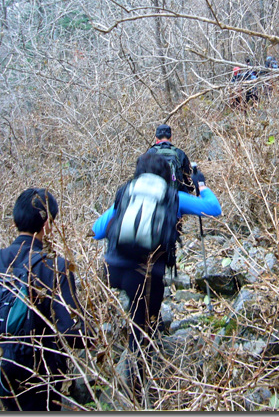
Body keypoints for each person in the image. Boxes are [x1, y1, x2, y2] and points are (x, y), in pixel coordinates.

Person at [91, 153, 221, 394]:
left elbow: (97, 230)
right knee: (141, 335)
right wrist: (201, 184)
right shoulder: (173, 197)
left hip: (112, 270)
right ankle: (139, 391)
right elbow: (213, 209)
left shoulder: (125, 194)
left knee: (133, 312)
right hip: (144, 276)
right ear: (167, 176)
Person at [0, 188, 89, 411]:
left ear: (16, 220)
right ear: (48, 223)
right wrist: (92, 336)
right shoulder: (55, 267)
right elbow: (70, 331)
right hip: (38, 375)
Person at [146, 124, 196, 195]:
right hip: (176, 198)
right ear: (171, 138)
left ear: (156, 138)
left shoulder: (149, 153)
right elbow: (189, 181)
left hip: (155, 197)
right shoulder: (180, 153)